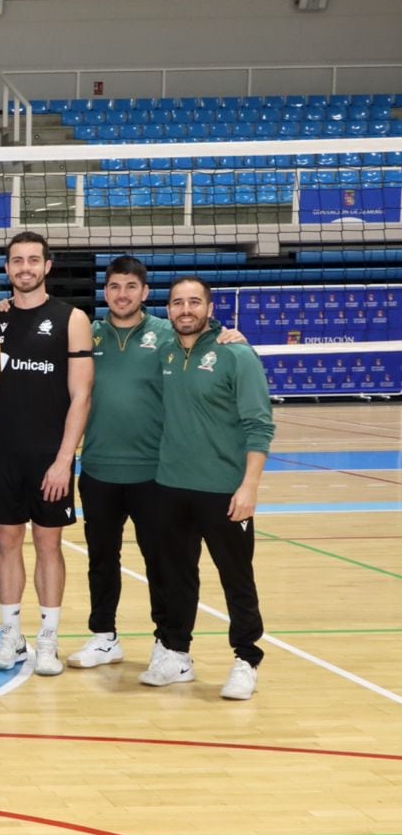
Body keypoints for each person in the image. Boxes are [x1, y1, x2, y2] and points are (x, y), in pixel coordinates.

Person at [69, 258, 249, 670]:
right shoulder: (89, 333)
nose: (122, 294)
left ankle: (167, 644)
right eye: (114, 287)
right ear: (105, 292)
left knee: (164, 563)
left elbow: (205, 338)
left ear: (145, 293)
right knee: (101, 559)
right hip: (98, 468)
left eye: (131, 287)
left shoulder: (168, 332)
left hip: (156, 473)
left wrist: (229, 336)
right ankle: (104, 637)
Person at [145, 277, 275, 700]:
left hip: (223, 490)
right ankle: (176, 654)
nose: (186, 310)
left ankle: (246, 659)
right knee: (176, 577)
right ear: (167, 310)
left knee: (236, 579)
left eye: (194, 302)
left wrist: (249, 486)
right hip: (170, 486)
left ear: (209, 307)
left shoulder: (236, 354)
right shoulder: (164, 350)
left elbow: (259, 426)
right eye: (178, 303)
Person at [0, 231, 93, 677]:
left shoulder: (72, 319)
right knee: (6, 542)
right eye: (17, 261)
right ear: (7, 268)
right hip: (0, 456)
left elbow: (81, 395)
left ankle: (48, 638)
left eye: (33, 260)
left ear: (47, 266)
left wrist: (64, 460)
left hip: (50, 457)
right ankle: (11, 635)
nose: (25, 267)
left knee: (49, 544)